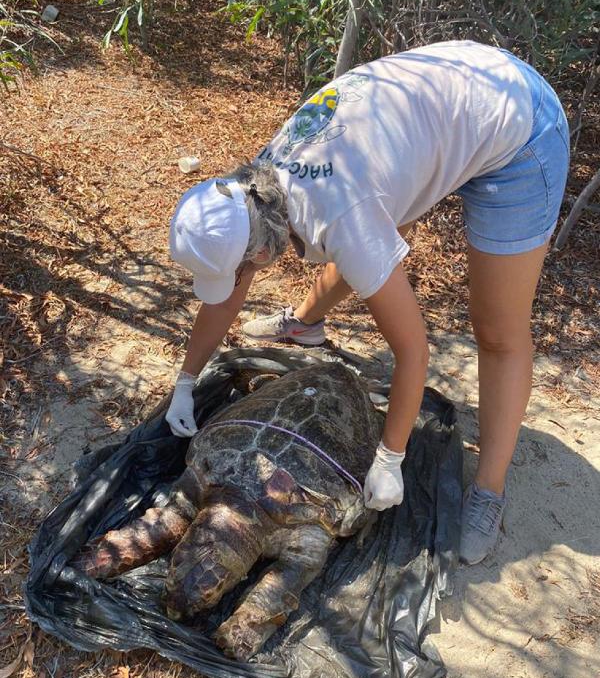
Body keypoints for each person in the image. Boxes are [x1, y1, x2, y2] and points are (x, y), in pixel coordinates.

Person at [166, 40, 569, 565]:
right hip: (446, 100)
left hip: (518, 128)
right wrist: (185, 382)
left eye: (241, 271)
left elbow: (413, 351)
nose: (238, 284)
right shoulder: (255, 188)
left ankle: (489, 490)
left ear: (262, 249)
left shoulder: (339, 214)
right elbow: (229, 291)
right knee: (365, 232)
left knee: (499, 330)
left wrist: (389, 457)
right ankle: (305, 324)